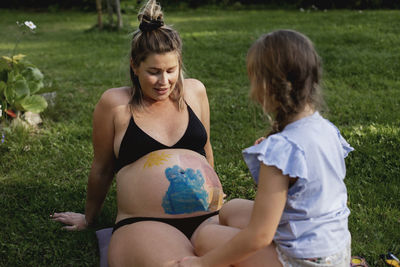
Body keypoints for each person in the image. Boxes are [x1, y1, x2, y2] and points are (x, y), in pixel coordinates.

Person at [51, 0, 224, 266]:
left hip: (208, 217)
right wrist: (89, 218)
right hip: (145, 223)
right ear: (135, 66)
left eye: (170, 71)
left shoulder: (195, 92)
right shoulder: (114, 104)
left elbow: (205, 151)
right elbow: (102, 167)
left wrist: (216, 198)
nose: (164, 81)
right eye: (153, 72)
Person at [176, 30, 353, 267]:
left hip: (302, 261)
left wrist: (201, 263)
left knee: (205, 237)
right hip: (334, 251)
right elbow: (306, 190)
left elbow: (259, 236)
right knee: (230, 210)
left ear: (269, 86)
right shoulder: (326, 129)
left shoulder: (281, 150)